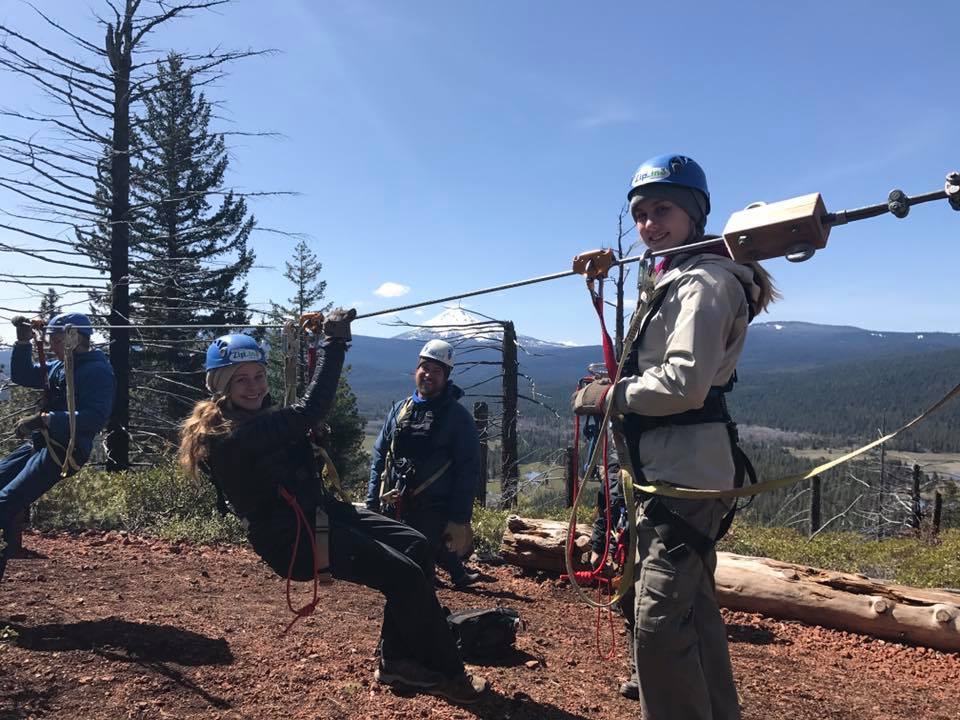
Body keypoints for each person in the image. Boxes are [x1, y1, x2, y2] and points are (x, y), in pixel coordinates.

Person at [177, 312, 487, 704]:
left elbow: (289, 441)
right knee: (405, 577)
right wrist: (334, 344)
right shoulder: (230, 435)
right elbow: (310, 409)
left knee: (415, 546)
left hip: (314, 514)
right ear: (222, 386)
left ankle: (398, 660)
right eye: (242, 379)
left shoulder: (254, 420)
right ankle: (449, 673)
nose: (254, 386)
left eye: (259, 375)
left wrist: (303, 442)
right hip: (292, 538)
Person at [577, 153, 778, 720]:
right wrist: (609, 269)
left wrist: (609, 397)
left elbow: (685, 384)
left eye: (662, 210)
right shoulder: (677, 275)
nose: (648, 225)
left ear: (694, 213)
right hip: (674, 472)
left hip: (684, 477)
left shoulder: (705, 283)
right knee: (694, 611)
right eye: (640, 214)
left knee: (658, 626)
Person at [0, 313, 115, 580]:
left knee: (4, 502)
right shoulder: (60, 366)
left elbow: (95, 416)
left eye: (56, 340)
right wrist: (22, 343)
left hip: (64, 452)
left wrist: (46, 420)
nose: (52, 346)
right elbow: (23, 375)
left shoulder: (96, 371)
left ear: (73, 338)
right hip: (42, 445)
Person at [366, 339, 481, 589]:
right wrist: (372, 499)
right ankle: (449, 574)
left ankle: (447, 578)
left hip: (434, 509)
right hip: (396, 503)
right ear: (415, 370)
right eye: (424, 368)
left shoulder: (458, 419)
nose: (428, 375)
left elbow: (467, 471)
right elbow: (379, 454)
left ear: (446, 376)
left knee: (419, 563)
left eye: (436, 371)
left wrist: (459, 518)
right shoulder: (399, 410)